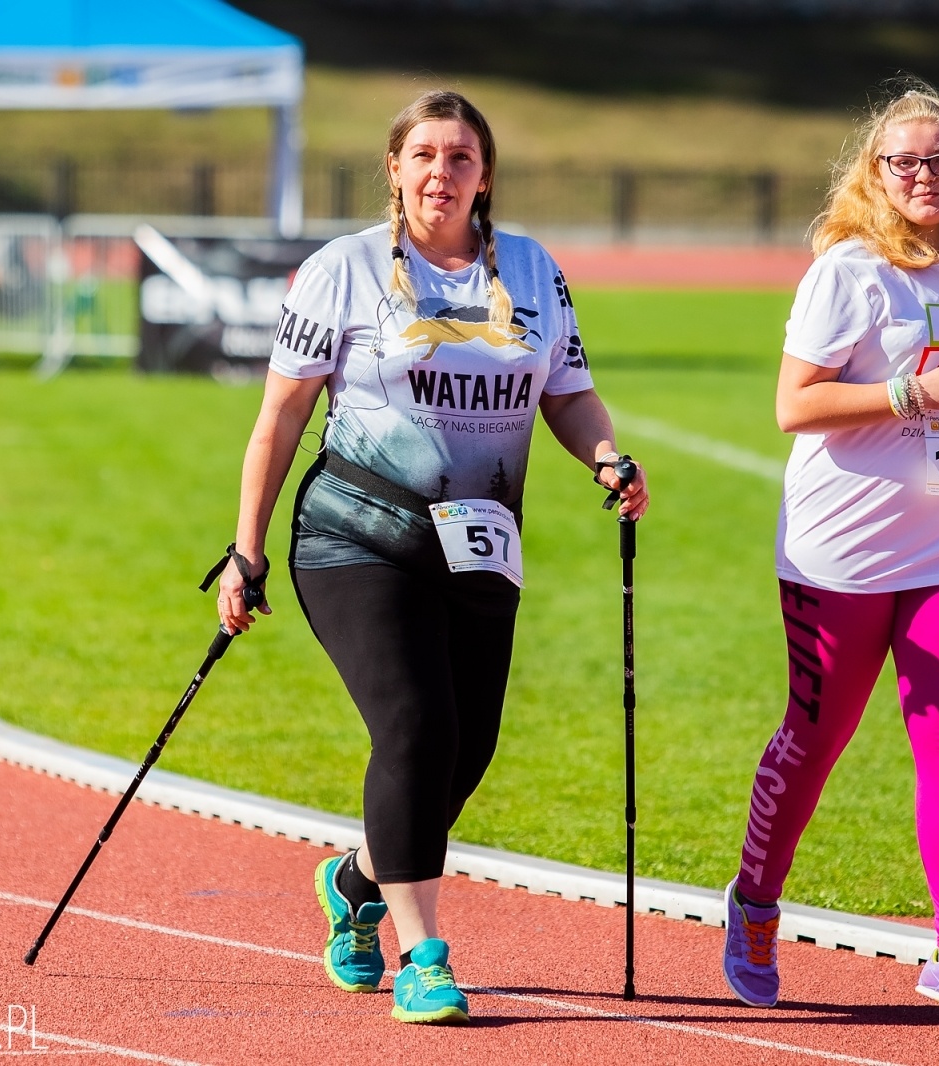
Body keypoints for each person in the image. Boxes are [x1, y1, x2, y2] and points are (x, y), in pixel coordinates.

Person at [214, 90, 648, 1026]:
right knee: (412, 726)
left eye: (460, 157)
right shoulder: (345, 269)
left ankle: (357, 878)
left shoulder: (531, 270)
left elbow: (569, 396)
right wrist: (244, 551)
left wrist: (608, 458)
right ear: (395, 169)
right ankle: (426, 958)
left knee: (466, 747)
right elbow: (280, 417)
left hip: (481, 539)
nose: (440, 173)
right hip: (354, 534)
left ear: (484, 174)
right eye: (424, 155)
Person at [720, 83, 939, 1025]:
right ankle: (754, 902)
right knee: (815, 739)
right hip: (842, 552)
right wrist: (910, 394)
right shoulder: (849, 271)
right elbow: (795, 406)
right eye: (903, 161)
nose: (924, 176)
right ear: (875, 171)